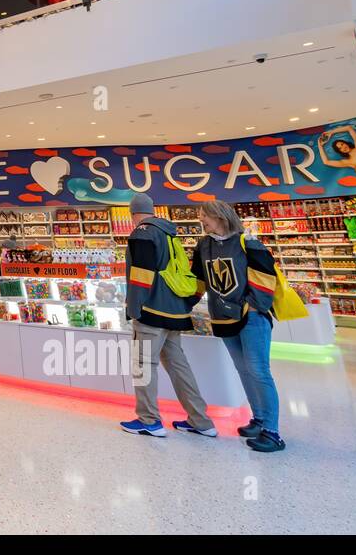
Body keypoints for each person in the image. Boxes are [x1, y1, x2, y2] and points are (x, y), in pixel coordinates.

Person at [119, 193, 216, 439]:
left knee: (144, 366)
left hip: (152, 309)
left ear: (133, 213)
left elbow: (141, 274)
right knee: (178, 365)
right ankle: (201, 420)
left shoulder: (142, 232)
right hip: (174, 309)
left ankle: (149, 420)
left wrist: (134, 307)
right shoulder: (168, 231)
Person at [192, 199, 285, 453]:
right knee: (243, 370)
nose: (201, 220)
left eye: (204, 216)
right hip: (222, 317)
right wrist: (183, 303)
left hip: (251, 318)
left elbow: (266, 281)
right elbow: (199, 280)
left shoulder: (249, 244)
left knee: (258, 370)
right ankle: (258, 419)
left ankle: (273, 432)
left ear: (220, 216)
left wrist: (253, 306)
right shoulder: (203, 246)